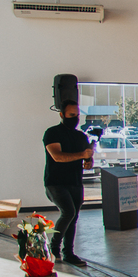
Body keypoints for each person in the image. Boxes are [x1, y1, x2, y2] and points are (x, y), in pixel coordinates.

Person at [42, 101, 92, 266]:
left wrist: (88, 161)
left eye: (77, 115)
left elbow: (87, 159)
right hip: (55, 182)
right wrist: (82, 155)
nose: (75, 118)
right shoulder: (52, 133)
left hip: (75, 182)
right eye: (71, 115)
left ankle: (68, 253)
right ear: (62, 114)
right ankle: (54, 247)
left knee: (73, 216)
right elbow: (57, 156)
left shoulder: (81, 136)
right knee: (68, 212)